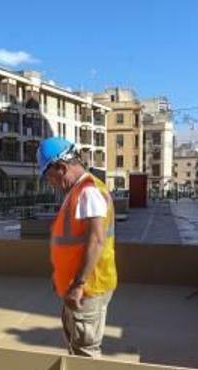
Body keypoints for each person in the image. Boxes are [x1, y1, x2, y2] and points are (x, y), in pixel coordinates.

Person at [36, 137, 117, 358]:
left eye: (49, 177)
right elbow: (74, 242)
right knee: (77, 346)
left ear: (61, 168)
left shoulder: (88, 191)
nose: (50, 183)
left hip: (88, 288)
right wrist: (62, 278)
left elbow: (96, 240)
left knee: (85, 352)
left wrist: (79, 284)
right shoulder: (78, 191)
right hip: (79, 287)